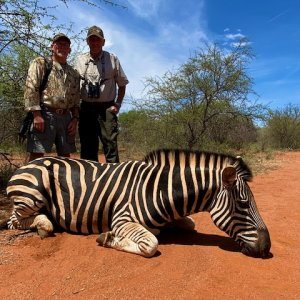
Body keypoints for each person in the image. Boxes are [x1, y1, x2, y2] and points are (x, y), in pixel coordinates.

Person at [74, 25, 129, 163]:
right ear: (87, 42)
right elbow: (73, 87)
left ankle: (115, 179)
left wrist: (118, 104)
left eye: (97, 40)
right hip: (86, 108)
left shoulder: (112, 59)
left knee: (110, 145)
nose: (94, 42)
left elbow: (122, 85)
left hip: (107, 108)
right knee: (87, 147)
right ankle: (89, 181)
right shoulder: (79, 60)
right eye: (91, 39)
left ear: (103, 42)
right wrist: (75, 107)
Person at [24, 33, 80, 162]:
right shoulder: (41, 63)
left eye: (65, 45)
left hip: (66, 118)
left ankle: (61, 182)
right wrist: (37, 115)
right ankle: (33, 181)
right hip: (45, 115)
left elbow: (76, 99)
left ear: (69, 50)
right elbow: (31, 88)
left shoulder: (74, 73)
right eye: (59, 44)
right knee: (37, 155)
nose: (62, 47)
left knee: (66, 158)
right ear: (52, 47)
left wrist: (75, 119)